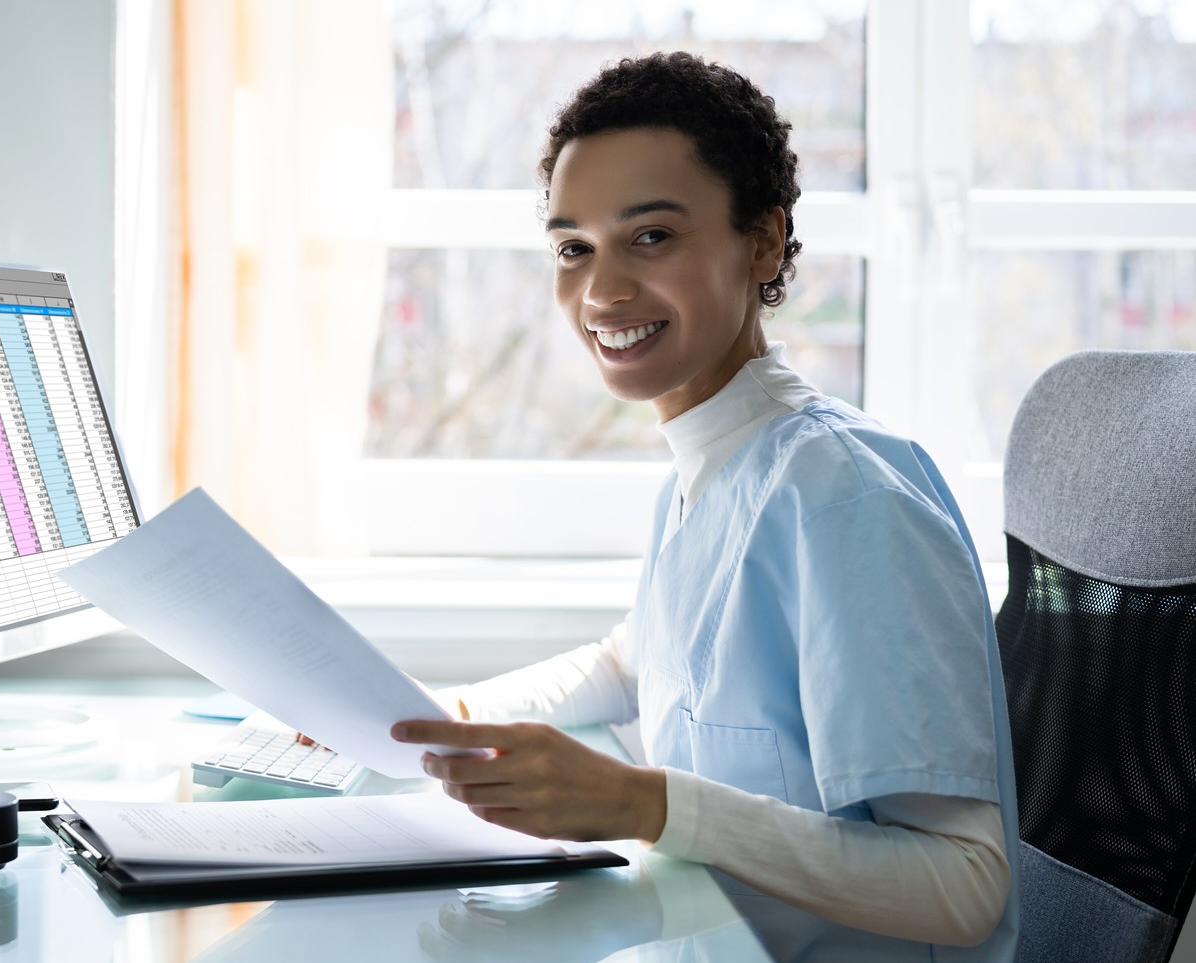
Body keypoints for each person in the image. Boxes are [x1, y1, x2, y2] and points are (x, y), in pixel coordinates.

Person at [387, 52, 1019, 960]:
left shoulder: (845, 494)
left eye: (651, 237)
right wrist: (437, 716)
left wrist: (644, 803)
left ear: (762, 242)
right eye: (575, 248)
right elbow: (639, 658)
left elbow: (963, 884)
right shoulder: (708, 466)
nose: (601, 291)